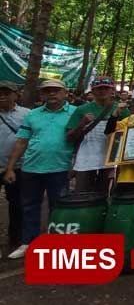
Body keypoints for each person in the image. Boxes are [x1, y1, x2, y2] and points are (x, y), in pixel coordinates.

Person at [4, 79, 76, 259]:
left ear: (65, 93)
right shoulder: (32, 114)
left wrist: (73, 165)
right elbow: (21, 141)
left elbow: (80, 141)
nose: (51, 94)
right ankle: (29, 242)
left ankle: (55, 243)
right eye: (47, 91)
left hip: (60, 167)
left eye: (56, 90)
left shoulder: (75, 113)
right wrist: (11, 168)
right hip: (31, 167)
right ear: (41, 95)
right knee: (29, 206)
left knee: (58, 207)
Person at [66, 76, 128, 194]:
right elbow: (69, 137)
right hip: (86, 160)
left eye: (106, 88)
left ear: (112, 90)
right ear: (93, 91)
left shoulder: (122, 110)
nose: (102, 91)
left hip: (110, 160)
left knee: (104, 195)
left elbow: (129, 134)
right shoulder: (81, 110)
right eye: (99, 88)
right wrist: (82, 123)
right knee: (82, 195)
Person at [0, 81, 29, 254]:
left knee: (16, 204)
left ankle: (15, 240)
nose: (2, 96)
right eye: (0, 93)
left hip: (18, 166)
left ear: (16, 94)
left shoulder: (27, 114)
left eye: (6, 92)